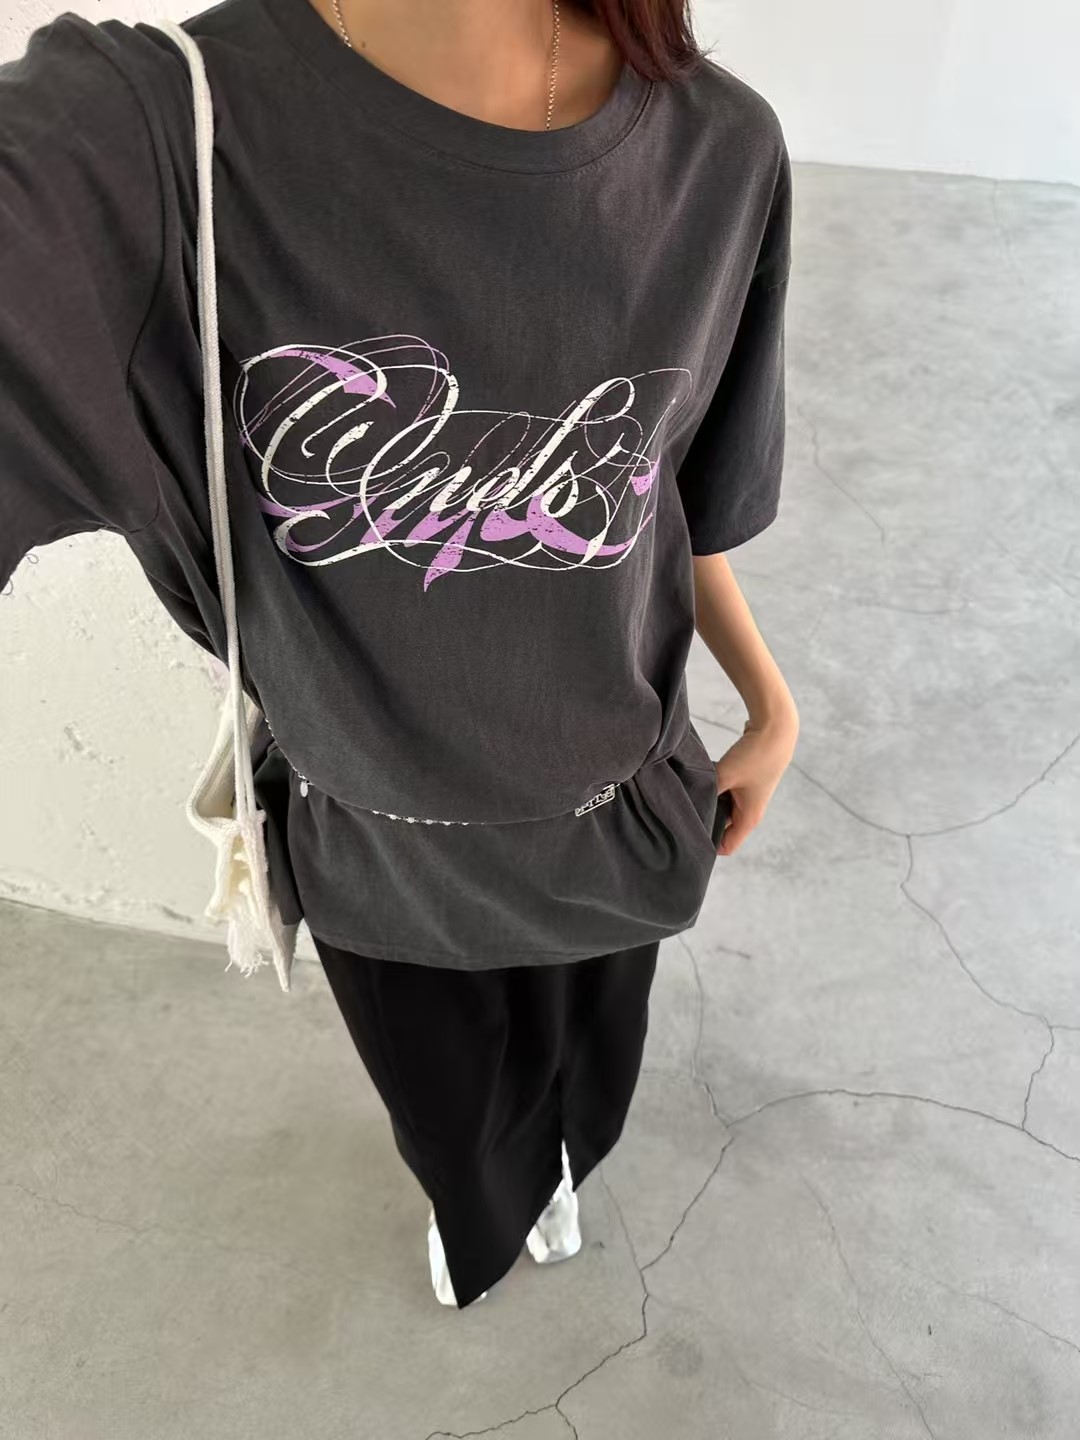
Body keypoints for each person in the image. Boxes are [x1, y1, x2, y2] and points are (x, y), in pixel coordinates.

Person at [0, 0, 799, 1308]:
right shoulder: (159, 137)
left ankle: (554, 1175)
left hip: (620, 813)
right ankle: (481, 1206)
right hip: (378, 844)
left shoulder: (720, 151)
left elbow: (670, 501)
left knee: (590, 1064)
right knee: (446, 1109)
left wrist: (770, 703)